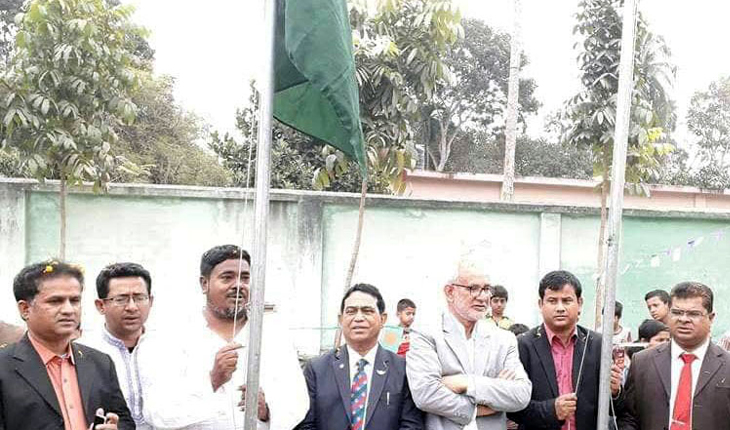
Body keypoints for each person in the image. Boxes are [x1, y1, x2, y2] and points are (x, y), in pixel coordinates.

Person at [139, 244, 309, 429]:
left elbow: (297, 402)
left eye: (245, 278)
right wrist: (212, 381)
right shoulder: (168, 338)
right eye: (227, 277)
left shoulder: (273, 336)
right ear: (204, 284)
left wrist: (267, 411)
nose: (238, 285)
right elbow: (158, 413)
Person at [0, 260, 133, 429]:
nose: (69, 310)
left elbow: (124, 421)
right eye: (55, 301)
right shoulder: (4, 367)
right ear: (25, 309)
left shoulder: (100, 362)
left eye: (75, 300)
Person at [406, 260, 531, 430]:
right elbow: (426, 394)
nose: (483, 297)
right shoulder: (426, 333)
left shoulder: (503, 338)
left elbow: (521, 395)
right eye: (473, 288)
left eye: (486, 289)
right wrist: (480, 408)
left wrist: (465, 383)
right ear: (450, 292)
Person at [297, 284, 423, 429]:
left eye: (367, 311)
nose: (358, 318)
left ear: (383, 319)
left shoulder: (402, 370)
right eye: (351, 311)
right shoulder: (317, 369)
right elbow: (305, 424)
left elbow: (412, 424)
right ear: (341, 319)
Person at [508, 270, 622, 430]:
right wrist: (551, 410)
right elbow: (512, 408)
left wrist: (615, 392)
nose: (560, 308)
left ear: (579, 303)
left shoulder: (598, 344)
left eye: (567, 300)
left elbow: (617, 409)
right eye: (552, 301)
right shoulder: (523, 345)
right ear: (541, 304)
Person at [618, 281, 730, 430]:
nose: (683, 319)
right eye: (676, 312)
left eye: (693, 314)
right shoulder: (642, 362)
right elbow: (629, 417)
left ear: (711, 317)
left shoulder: (726, 365)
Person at [81, 262, 155, 430]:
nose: (132, 307)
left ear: (151, 301)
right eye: (121, 299)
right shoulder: (83, 353)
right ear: (101, 305)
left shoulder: (171, 348)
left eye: (139, 298)